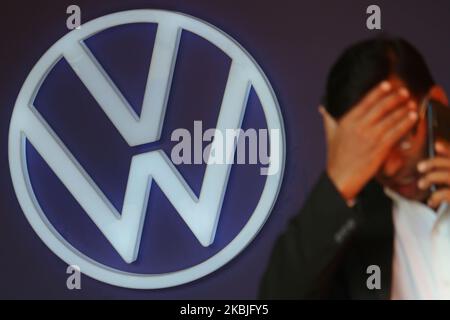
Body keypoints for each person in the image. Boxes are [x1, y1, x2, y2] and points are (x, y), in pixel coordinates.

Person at [259, 36, 450, 299]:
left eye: (402, 138)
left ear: (437, 104)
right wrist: (337, 184)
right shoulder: (349, 228)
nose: (391, 168)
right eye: (373, 147)